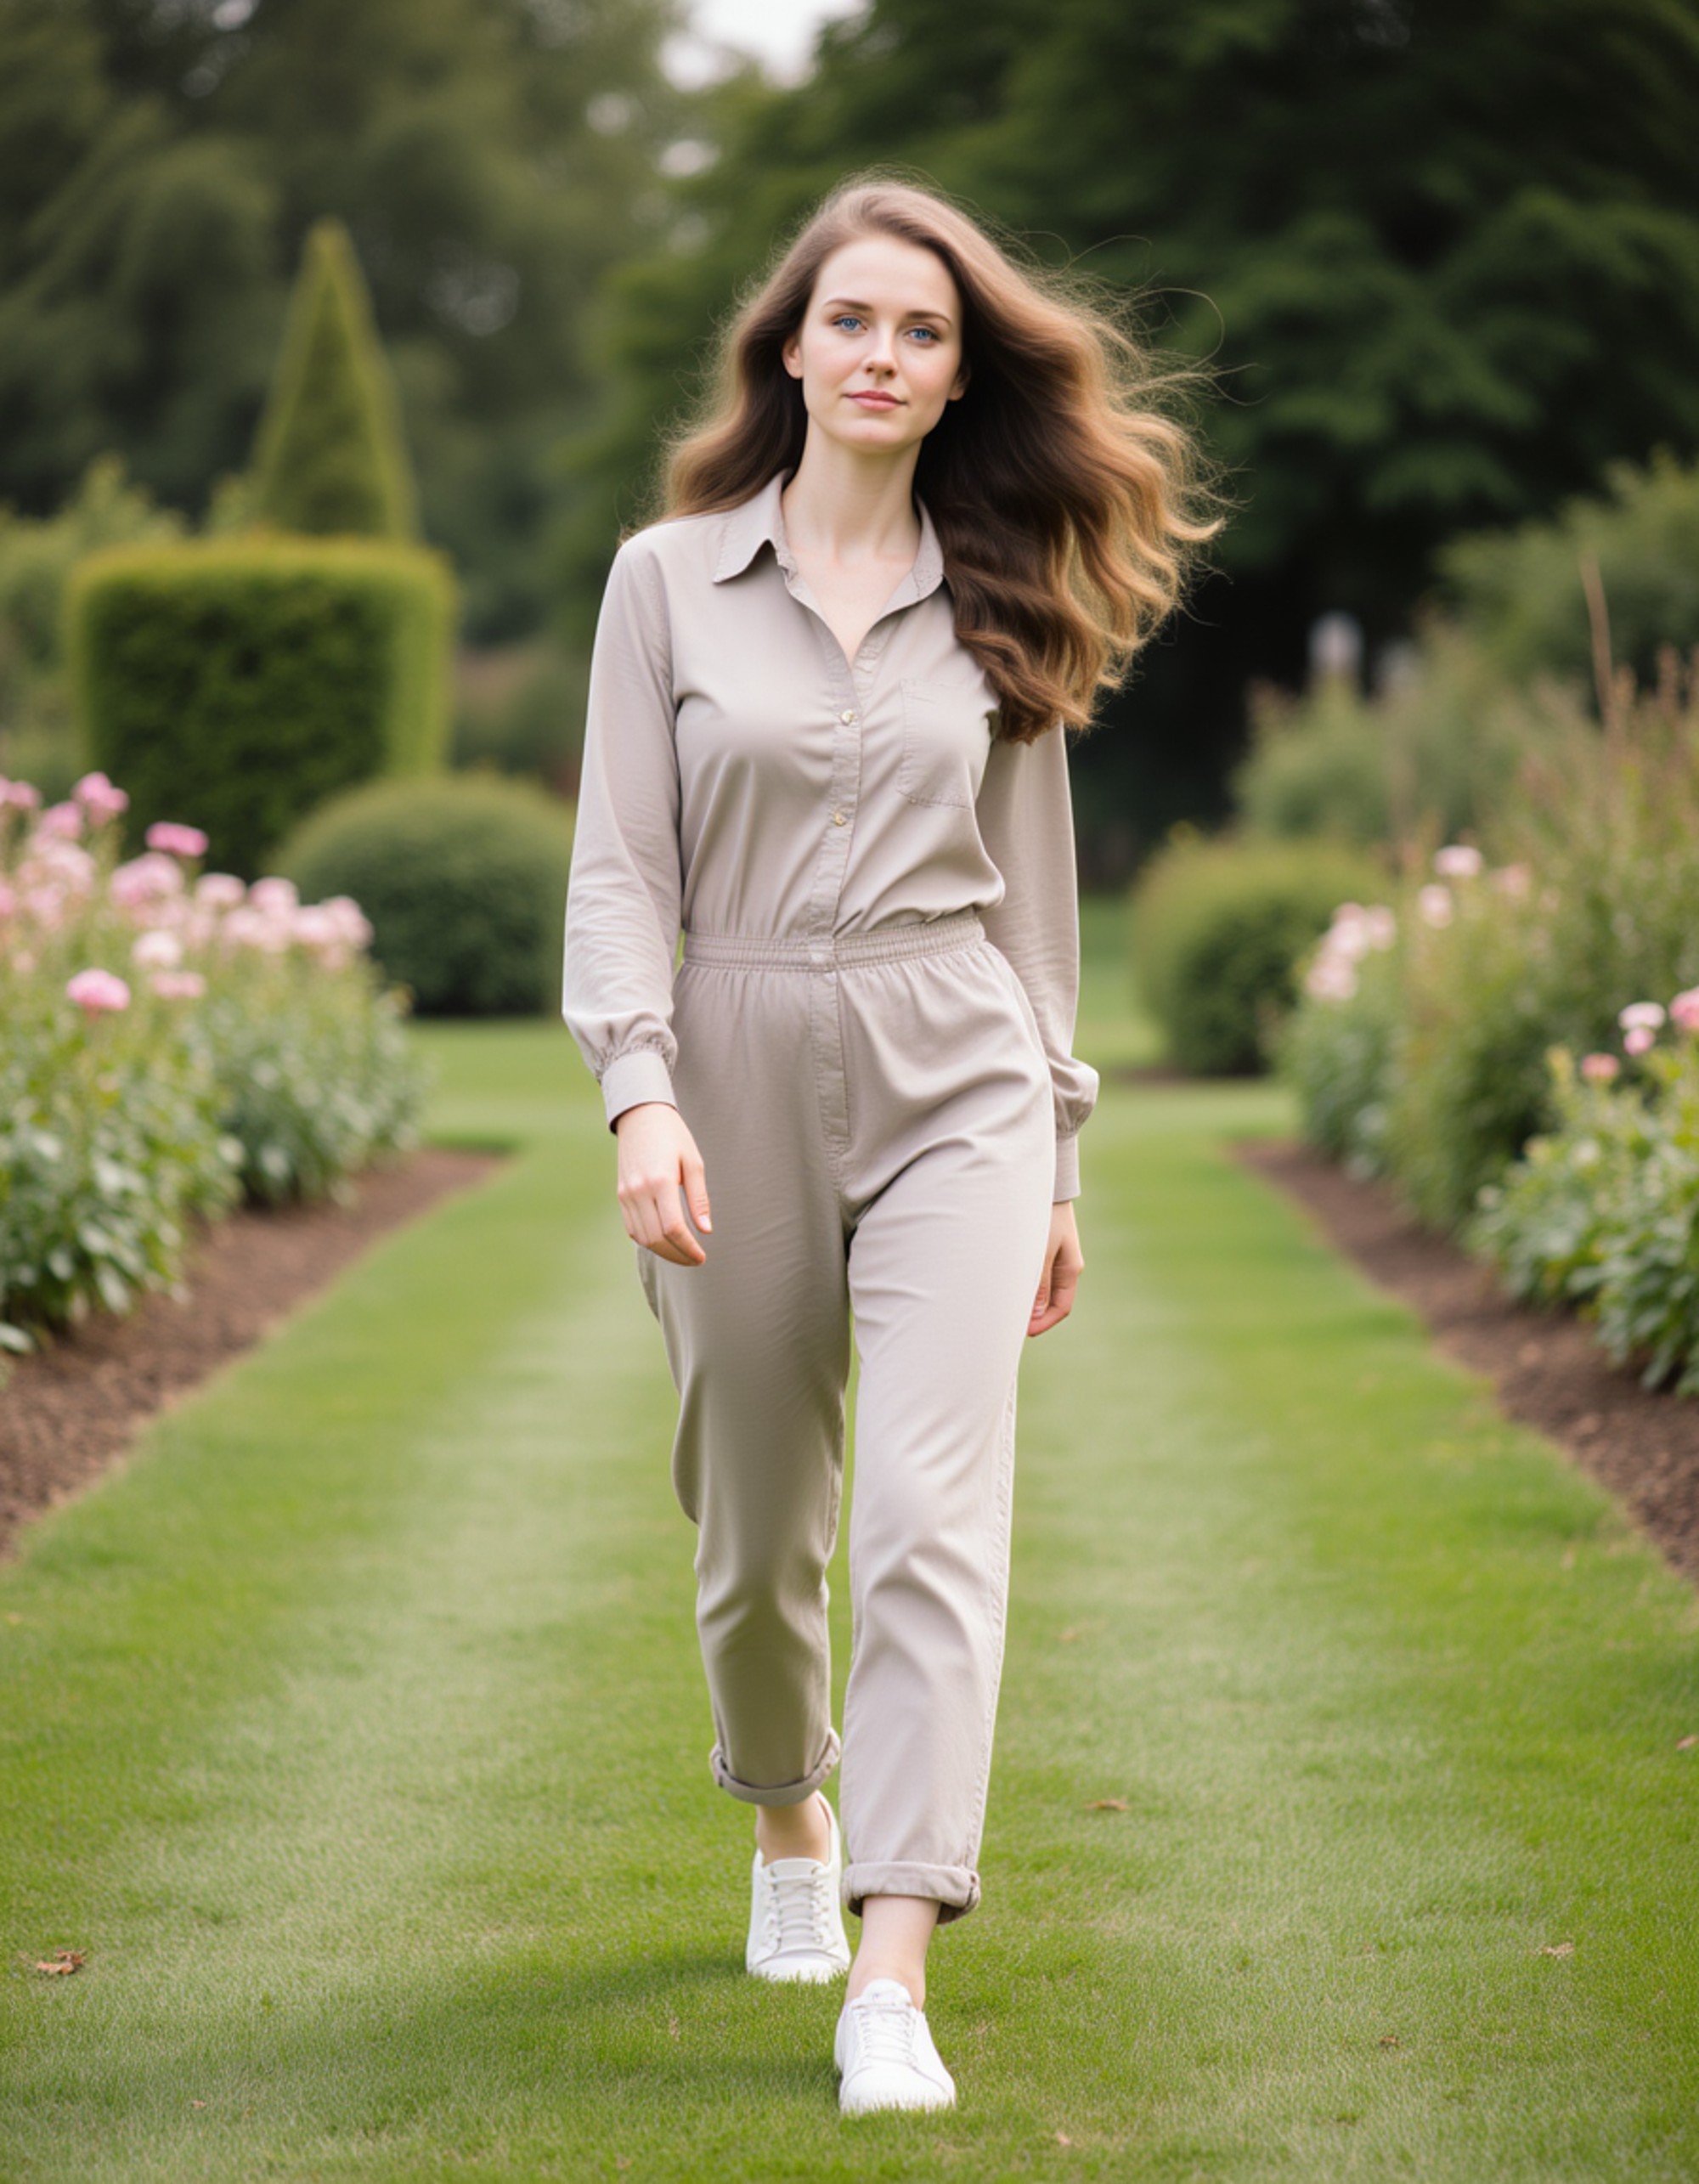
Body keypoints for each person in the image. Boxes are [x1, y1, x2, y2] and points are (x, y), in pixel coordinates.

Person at [561, 172, 1220, 2116]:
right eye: (851, 319)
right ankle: (788, 1811)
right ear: (789, 347)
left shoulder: (1003, 592)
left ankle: (889, 1965)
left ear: (954, 379)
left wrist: (1061, 1155)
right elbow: (620, 869)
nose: (882, 353)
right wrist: (640, 1089)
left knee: (936, 1519)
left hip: (960, 1072)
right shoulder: (663, 580)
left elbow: (1036, 904)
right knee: (756, 1526)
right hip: (731, 1054)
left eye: (922, 331)